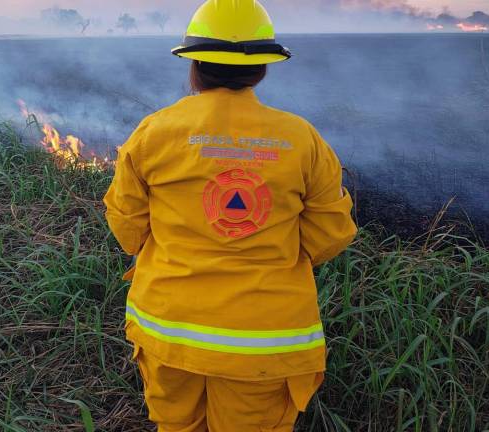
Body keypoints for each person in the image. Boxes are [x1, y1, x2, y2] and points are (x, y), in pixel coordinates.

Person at [103, 1, 358, 431]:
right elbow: (331, 233)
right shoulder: (302, 139)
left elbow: (126, 224)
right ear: (261, 69)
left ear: (193, 67)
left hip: (169, 330)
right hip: (264, 341)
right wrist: (275, 258)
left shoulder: (154, 132)